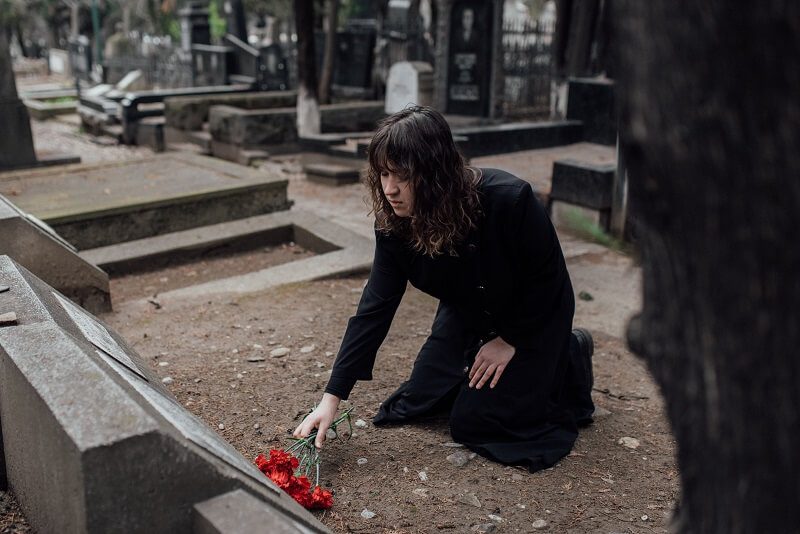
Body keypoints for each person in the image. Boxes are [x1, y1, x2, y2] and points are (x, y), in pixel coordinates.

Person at [294, 106, 594, 472]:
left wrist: (510, 340)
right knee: (418, 401)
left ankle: (570, 352)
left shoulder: (510, 200)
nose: (389, 189)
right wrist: (331, 398)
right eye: (383, 173)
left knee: (475, 422)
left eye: (402, 176)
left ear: (435, 173)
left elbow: (551, 283)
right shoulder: (393, 226)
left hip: (531, 317)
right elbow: (375, 306)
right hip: (466, 313)